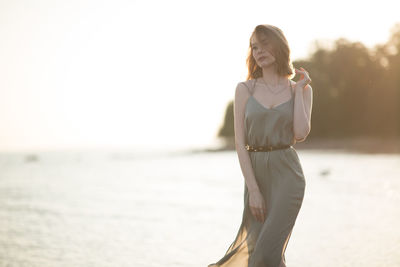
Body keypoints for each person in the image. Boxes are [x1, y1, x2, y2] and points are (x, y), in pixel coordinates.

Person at [208, 24, 313, 267]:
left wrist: (298, 91)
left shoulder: (302, 90)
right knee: (260, 252)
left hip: (288, 175)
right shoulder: (245, 89)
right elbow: (239, 142)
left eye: (265, 44)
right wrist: (253, 189)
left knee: (266, 254)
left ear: (279, 46)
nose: (259, 51)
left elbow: (300, 133)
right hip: (255, 174)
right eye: (254, 47)